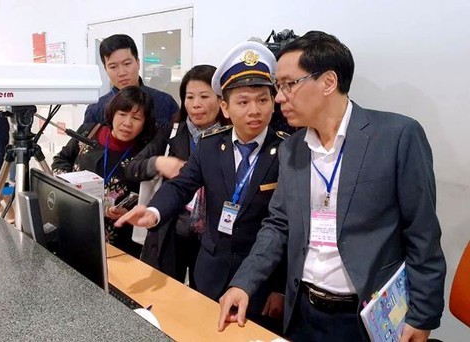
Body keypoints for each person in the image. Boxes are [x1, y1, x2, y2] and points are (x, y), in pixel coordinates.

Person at [218, 31, 446, 342]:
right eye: (278, 87)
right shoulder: (293, 148)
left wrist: (423, 315)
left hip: (365, 317)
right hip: (302, 310)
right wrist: (243, 282)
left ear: (327, 82)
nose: (280, 97)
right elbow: (278, 224)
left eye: (287, 84)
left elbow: (422, 233)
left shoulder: (396, 136)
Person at [116, 41, 288, 333]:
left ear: (274, 101)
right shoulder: (210, 146)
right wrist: (155, 211)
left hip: (262, 283)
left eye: (262, 100)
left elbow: (290, 227)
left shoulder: (287, 152)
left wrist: (281, 287)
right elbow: (181, 185)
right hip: (209, 272)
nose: (254, 111)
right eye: (243, 102)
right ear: (226, 106)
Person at [125, 64, 227, 288]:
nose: (196, 104)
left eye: (204, 96)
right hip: (169, 231)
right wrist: (159, 162)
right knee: (164, 298)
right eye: (189, 97)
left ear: (221, 100)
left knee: (203, 301)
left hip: (212, 238)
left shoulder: (231, 137)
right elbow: (132, 168)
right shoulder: (171, 130)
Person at [53, 86, 156, 258]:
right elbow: (61, 159)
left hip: (119, 240)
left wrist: (128, 212)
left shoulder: (145, 152)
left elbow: (148, 194)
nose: (127, 123)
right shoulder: (89, 132)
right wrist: (68, 183)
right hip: (76, 224)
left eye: (136, 118)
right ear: (112, 113)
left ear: (145, 122)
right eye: (122, 114)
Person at [83, 34, 179, 129]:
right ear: (105, 69)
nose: (121, 73)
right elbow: (84, 143)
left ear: (137, 63)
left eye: (127, 64)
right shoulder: (96, 110)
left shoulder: (165, 102)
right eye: (113, 67)